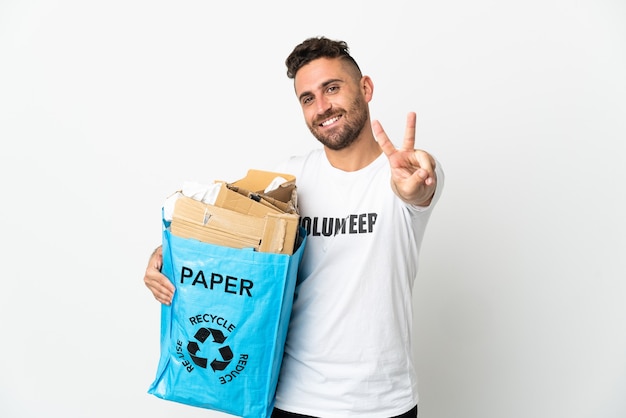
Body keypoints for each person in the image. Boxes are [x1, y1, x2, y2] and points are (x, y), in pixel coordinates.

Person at [144, 36, 444, 418]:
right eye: (307, 98)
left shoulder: (406, 176)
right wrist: (168, 253)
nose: (322, 107)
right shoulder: (290, 181)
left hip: (384, 403)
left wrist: (415, 184)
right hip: (293, 399)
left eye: (332, 88)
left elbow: (420, 190)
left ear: (365, 88)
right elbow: (220, 229)